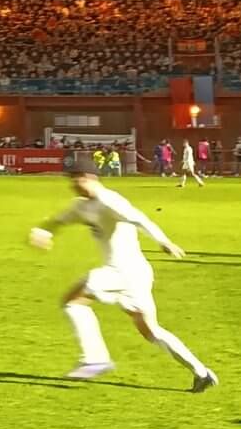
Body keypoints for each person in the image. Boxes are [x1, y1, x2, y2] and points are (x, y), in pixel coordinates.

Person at [28, 153, 216, 391]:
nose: (71, 185)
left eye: (75, 179)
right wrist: (43, 231)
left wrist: (163, 241)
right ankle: (202, 373)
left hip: (123, 271)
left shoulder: (109, 200)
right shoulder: (81, 206)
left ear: (88, 177)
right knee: (151, 332)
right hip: (134, 273)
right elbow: (58, 220)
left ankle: (95, 358)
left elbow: (140, 219)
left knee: (73, 302)